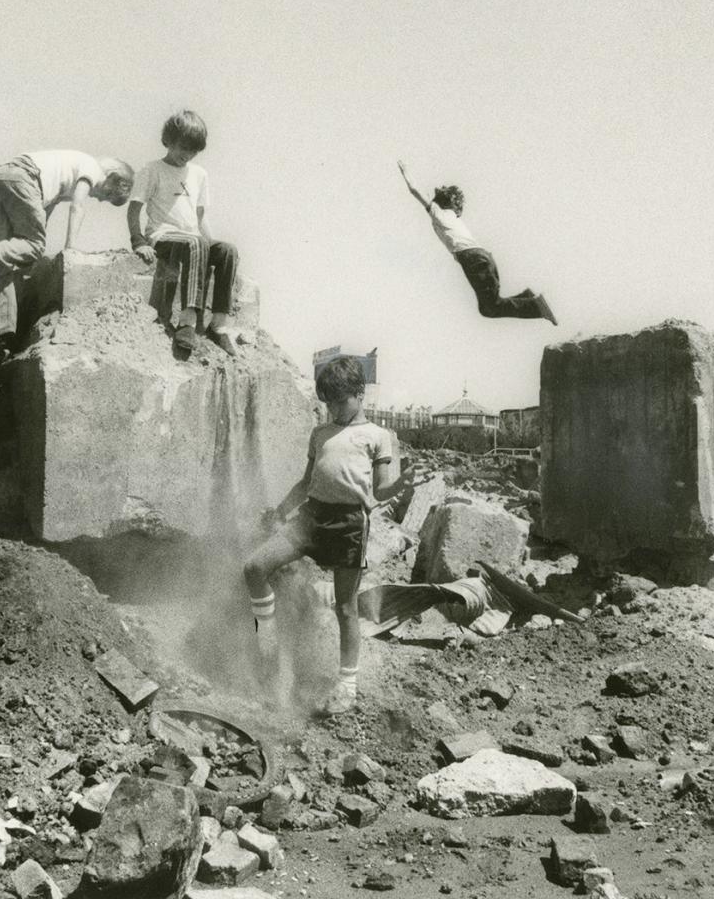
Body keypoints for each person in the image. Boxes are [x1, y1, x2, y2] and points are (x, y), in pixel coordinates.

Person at [243, 356, 408, 716]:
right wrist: (280, 511)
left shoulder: (379, 437)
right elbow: (306, 483)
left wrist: (403, 483)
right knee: (254, 567)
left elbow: (381, 491)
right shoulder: (320, 434)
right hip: (311, 517)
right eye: (328, 402)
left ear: (360, 394)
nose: (333, 409)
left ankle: (347, 686)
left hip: (349, 523)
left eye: (340, 401)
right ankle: (266, 642)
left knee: (346, 607)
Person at [0, 151, 135, 409]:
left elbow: (40, 212)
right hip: (23, 178)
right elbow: (77, 206)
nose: (100, 199)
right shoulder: (91, 169)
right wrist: (70, 250)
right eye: (107, 195)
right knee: (33, 245)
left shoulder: (60, 176)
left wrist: (28, 262)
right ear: (112, 178)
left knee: (7, 258)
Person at [127, 111, 243, 356]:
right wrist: (138, 241)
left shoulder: (199, 175)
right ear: (168, 140)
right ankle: (187, 320)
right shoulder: (152, 170)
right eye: (183, 147)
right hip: (163, 236)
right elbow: (134, 209)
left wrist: (213, 248)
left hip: (193, 241)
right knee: (196, 243)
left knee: (228, 251)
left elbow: (199, 218)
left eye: (193, 151)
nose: (187, 155)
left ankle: (219, 325)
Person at [396, 161, 557, 324]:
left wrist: (406, 173)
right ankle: (527, 298)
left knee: (489, 308)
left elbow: (414, 190)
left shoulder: (439, 213)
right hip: (484, 257)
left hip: (472, 260)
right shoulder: (453, 217)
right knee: (490, 305)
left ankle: (536, 305)